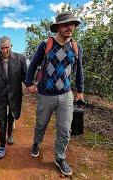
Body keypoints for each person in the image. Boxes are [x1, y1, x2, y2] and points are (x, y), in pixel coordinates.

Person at [25, 11, 84, 176]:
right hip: (45, 94)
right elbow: (33, 65)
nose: (70, 27)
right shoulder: (46, 44)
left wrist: (80, 91)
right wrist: (29, 84)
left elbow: (79, 71)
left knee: (65, 129)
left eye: (72, 24)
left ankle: (60, 158)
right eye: (66, 24)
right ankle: (36, 143)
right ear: (58, 27)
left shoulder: (76, 47)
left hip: (66, 95)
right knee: (41, 124)